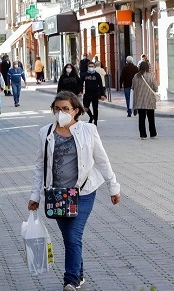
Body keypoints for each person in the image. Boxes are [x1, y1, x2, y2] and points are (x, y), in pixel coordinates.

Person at [28, 91, 121, 291]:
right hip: (57, 195)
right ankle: (78, 273)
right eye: (57, 109)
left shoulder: (88, 130)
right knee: (69, 237)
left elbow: (102, 160)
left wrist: (114, 187)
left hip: (83, 192)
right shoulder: (45, 132)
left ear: (75, 111)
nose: (61, 113)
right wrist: (35, 195)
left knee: (73, 236)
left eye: (65, 109)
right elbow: (40, 166)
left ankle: (70, 280)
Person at [132, 61, 158, 139]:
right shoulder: (151, 76)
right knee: (151, 118)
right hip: (150, 100)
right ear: (147, 67)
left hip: (140, 100)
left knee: (141, 118)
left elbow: (132, 87)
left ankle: (143, 135)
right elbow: (155, 88)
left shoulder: (136, 76)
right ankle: (153, 133)